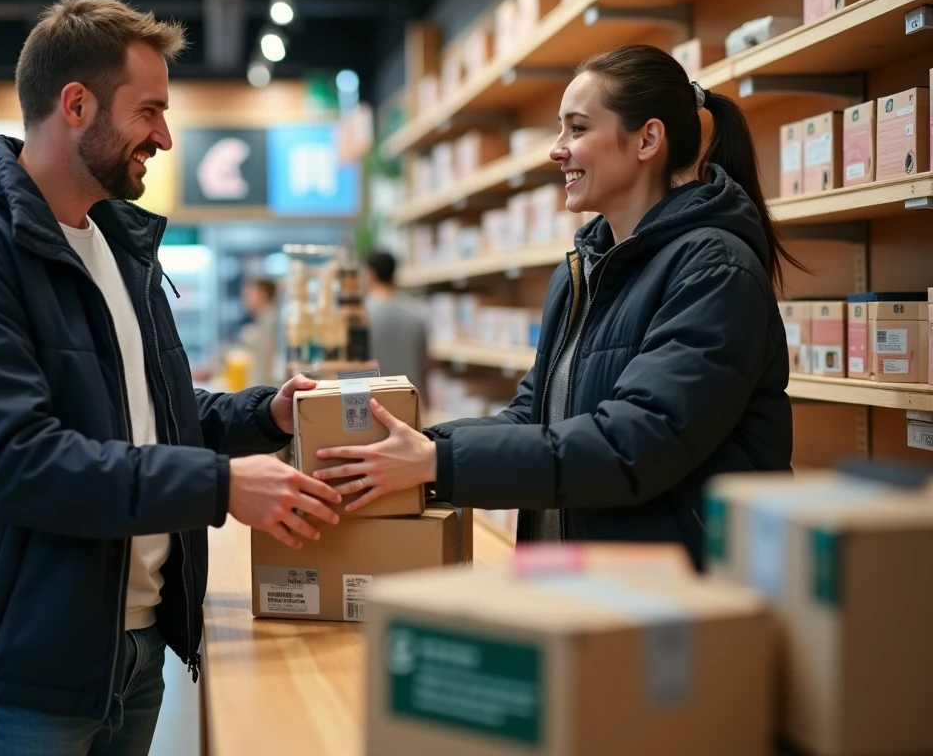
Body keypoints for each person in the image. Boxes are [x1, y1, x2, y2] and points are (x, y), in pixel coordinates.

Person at [0, 0, 341, 756]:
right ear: (76, 105)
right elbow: (19, 461)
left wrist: (266, 416)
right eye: (149, 111)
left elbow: (145, 413)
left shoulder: (114, 247)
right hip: (21, 668)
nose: (164, 137)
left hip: (129, 650)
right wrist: (220, 486)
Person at [312, 43, 798, 571]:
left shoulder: (713, 269)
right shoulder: (580, 274)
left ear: (647, 140)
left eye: (577, 129)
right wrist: (413, 447)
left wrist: (439, 461)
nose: (556, 150)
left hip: (684, 593)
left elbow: (633, 445)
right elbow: (532, 417)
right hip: (584, 585)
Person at [363, 250, 429, 396]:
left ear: (369, 274)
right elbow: (424, 366)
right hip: (410, 399)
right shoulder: (416, 313)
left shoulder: (359, 317)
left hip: (371, 400)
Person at [238, 276, 280, 388]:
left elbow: (266, 365)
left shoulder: (272, 321)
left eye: (249, 294)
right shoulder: (264, 320)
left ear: (263, 294)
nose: (245, 299)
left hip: (268, 388)